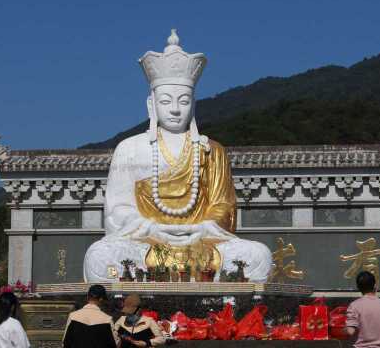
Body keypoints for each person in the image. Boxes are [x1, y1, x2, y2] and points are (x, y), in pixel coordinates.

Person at [83, 29, 272, 283]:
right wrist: (155, 230)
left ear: (193, 105)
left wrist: (198, 229)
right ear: (151, 105)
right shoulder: (129, 148)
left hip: (201, 246)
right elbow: (118, 212)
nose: (174, 109)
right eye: (166, 101)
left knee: (258, 255)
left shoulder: (211, 150)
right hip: (147, 246)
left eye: (183, 101)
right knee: (99, 255)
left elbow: (224, 208)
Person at [345, 271, 380, 348]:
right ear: (375, 285)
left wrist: (344, 330)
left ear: (358, 287)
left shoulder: (354, 306)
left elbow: (350, 331)